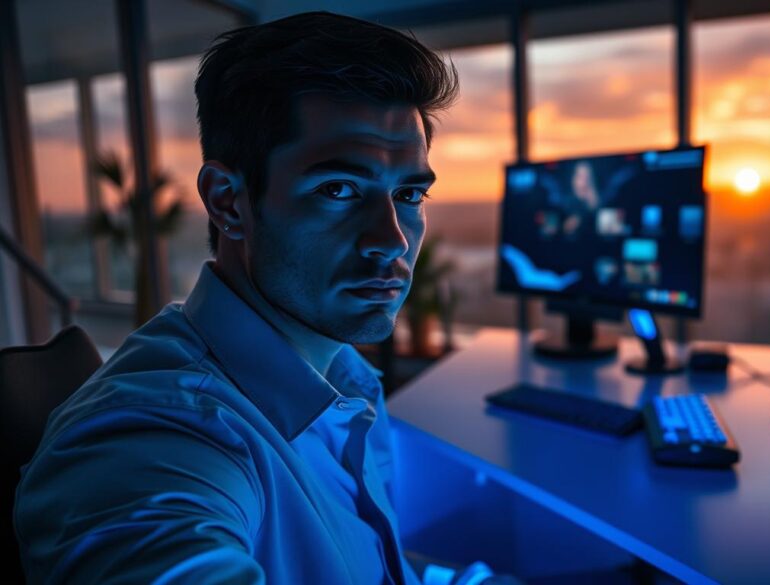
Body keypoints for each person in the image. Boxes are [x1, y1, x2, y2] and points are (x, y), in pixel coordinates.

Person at [15, 12, 517, 585]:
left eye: (408, 194)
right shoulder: (158, 436)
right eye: (338, 189)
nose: (392, 241)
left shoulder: (344, 380)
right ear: (228, 202)